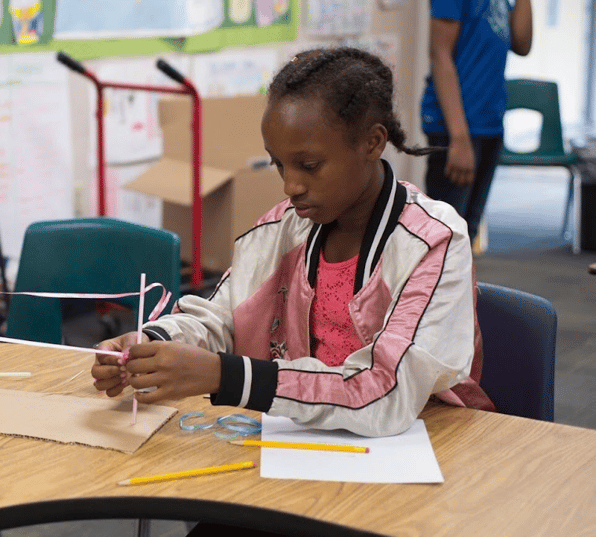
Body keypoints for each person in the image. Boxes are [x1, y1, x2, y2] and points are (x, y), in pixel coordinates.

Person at [91, 47, 494, 438]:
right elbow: (221, 317)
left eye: (310, 165)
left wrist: (223, 375)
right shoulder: (281, 229)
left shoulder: (434, 241)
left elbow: (387, 390)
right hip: (308, 437)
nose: (291, 186)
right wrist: (154, 344)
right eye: (278, 163)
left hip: (424, 443)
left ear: (373, 143)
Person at [421, 0, 533, 248]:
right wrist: (459, 138)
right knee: (445, 237)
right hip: (455, 128)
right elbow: (440, 56)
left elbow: (522, 44)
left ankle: (460, 287)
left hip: (490, 122)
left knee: (467, 234)